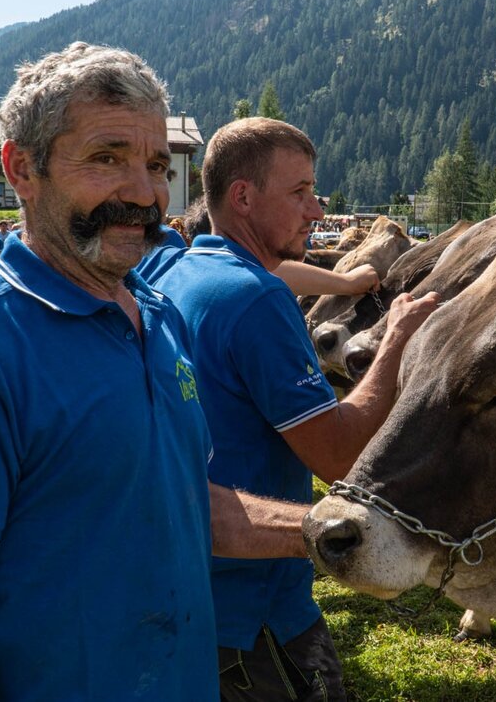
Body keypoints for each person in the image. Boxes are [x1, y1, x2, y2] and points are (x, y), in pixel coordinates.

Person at [0, 41, 310, 702]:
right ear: (21, 168)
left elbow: (177, 499)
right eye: (106, 158)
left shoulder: (161, 320)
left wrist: (319, 529)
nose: (143, 192)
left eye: (157, 164)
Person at [149, 117, 438, 702]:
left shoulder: (173, 269)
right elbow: (339, 456)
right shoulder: (257, 300)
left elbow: (266, 266)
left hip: (180, 595)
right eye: (300, 192)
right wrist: (398, 339)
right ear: (243, 196)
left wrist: (350, 280)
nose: (316, 210)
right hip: (258, 614)